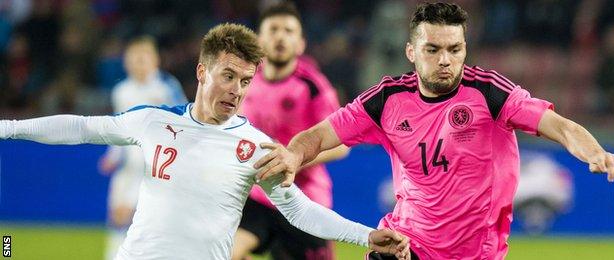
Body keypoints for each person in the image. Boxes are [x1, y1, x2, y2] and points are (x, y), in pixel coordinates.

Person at [0, 23, 411, 260]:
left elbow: (301, 211)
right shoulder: (152, 122)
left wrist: (365, 235)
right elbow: (82, 128)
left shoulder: (255, 147)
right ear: (202, 71)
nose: (236, 89)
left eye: (246, 81)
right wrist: (9, 128)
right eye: (228, 76)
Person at [253, 3, 614, 260]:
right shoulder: (385, 100)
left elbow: (558, 125)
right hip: (404, 242)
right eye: (433, 49)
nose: (445, 59)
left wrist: (593, 151)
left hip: (475, 250)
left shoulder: (490, 93)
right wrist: (292, 154)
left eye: (454, 49)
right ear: (412, 51)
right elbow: (319, 135)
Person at [233, 2, 348, 260]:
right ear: (260, 40)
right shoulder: (244, 82)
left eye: (288, 31)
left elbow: (342, 144)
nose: (280, 37)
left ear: (300, 43)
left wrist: (293, 158)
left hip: (304, 201)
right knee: (224, 251)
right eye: (273, 30)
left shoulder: (313, 87)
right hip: (257, 196)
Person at [98, 35, 188, 260]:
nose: (138, 64)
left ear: (155, 61)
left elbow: (186, 123)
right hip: (129, 168)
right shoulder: (121, 91)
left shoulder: (166, 87)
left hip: (158, 169)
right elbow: (118, 130)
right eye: (133, 59)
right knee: (118, 219)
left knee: (151, 224)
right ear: (126, 62)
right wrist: (113, 154)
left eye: (143, 58)